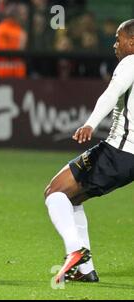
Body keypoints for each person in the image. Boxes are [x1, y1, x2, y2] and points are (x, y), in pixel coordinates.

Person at [44, 19, 134, 283]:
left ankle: (75, 250)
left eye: (118, 40)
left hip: (121, 150)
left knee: (54, 191)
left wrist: (90, 123)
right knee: (73, 198)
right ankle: (86, 270)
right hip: (129, 159)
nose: (115, 45)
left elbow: (111, 93)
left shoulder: (130, 62)